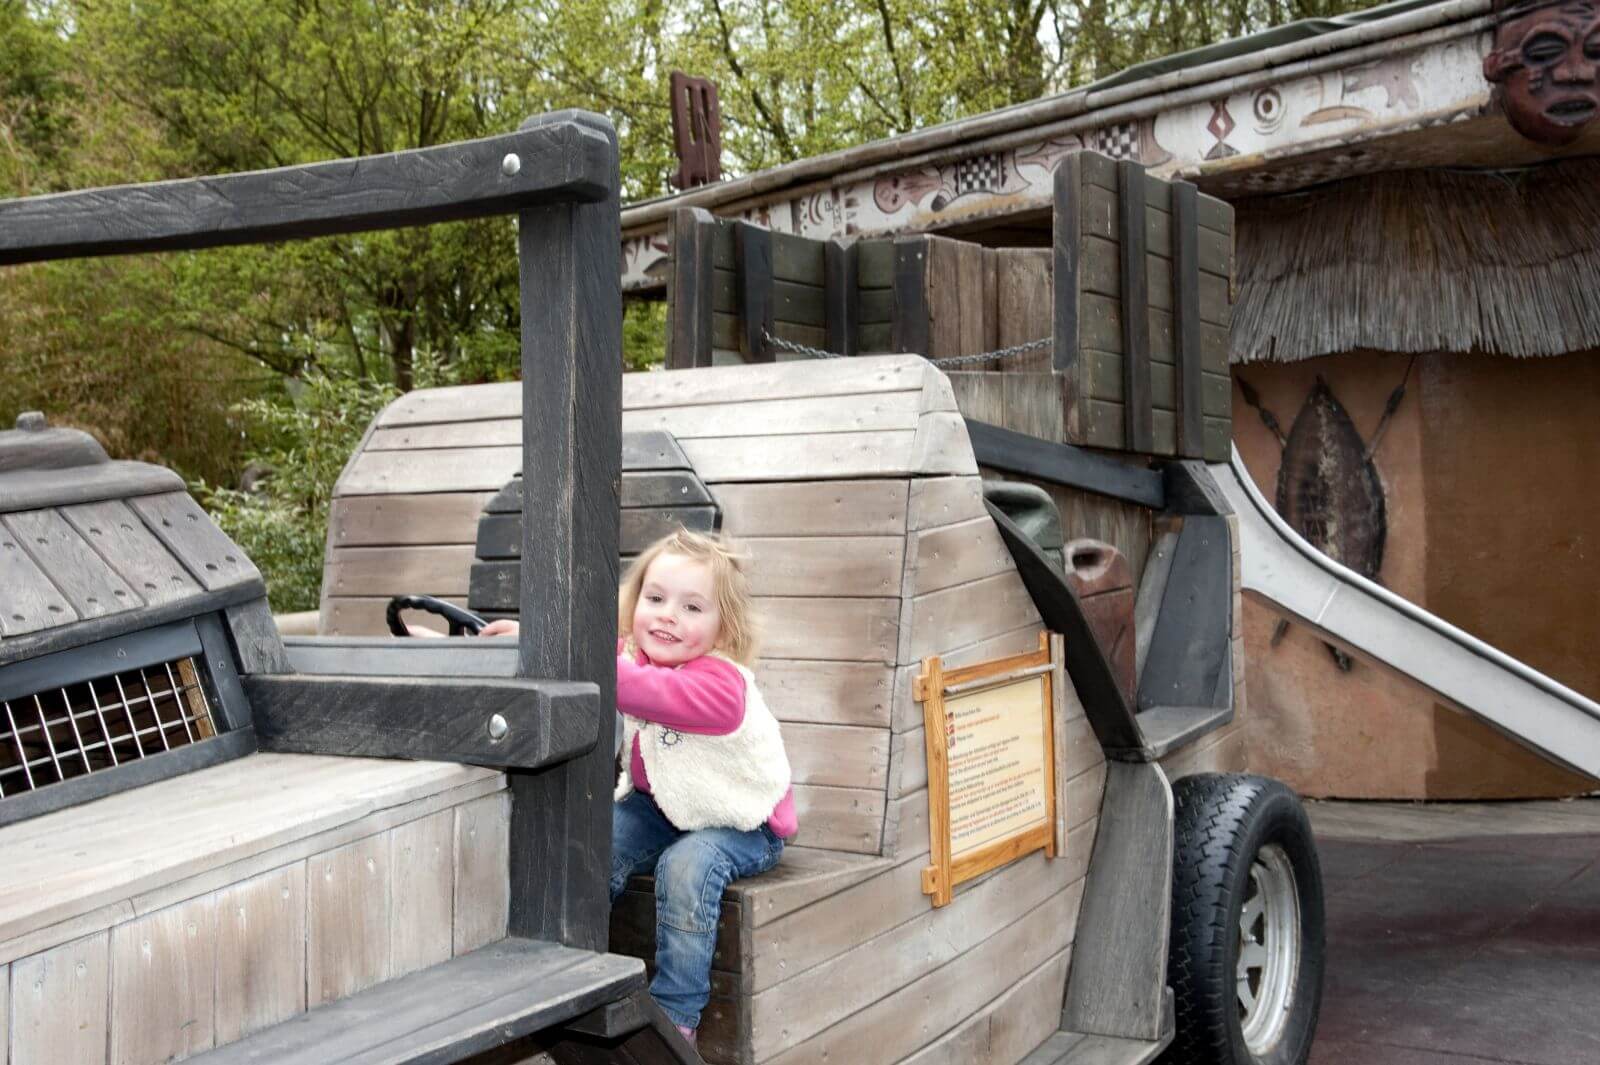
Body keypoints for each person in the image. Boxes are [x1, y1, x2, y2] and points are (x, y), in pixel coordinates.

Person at [477, 530, 796, 1046]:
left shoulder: (721, 685)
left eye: (692, 607)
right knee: (591, 846)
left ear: (725, 627)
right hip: (661, 807)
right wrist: (529, 638)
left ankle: (677, 1018)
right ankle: (567, 970)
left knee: (688, 867)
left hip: (743, 821)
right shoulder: (635, 655)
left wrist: (569, 655)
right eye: (656, 598)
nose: (668, 616)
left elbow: (639, 688)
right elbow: (594, 651)